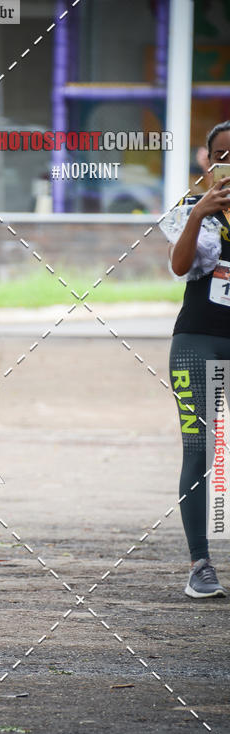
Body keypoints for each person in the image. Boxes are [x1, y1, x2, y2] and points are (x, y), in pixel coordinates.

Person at [159, 121, 230, 598]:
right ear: (207, 162)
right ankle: (200, 563)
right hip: (198, 340)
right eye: (221, 155)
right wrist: (197, 214)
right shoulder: (193, 212)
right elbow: (179, 266)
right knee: (200, 448)